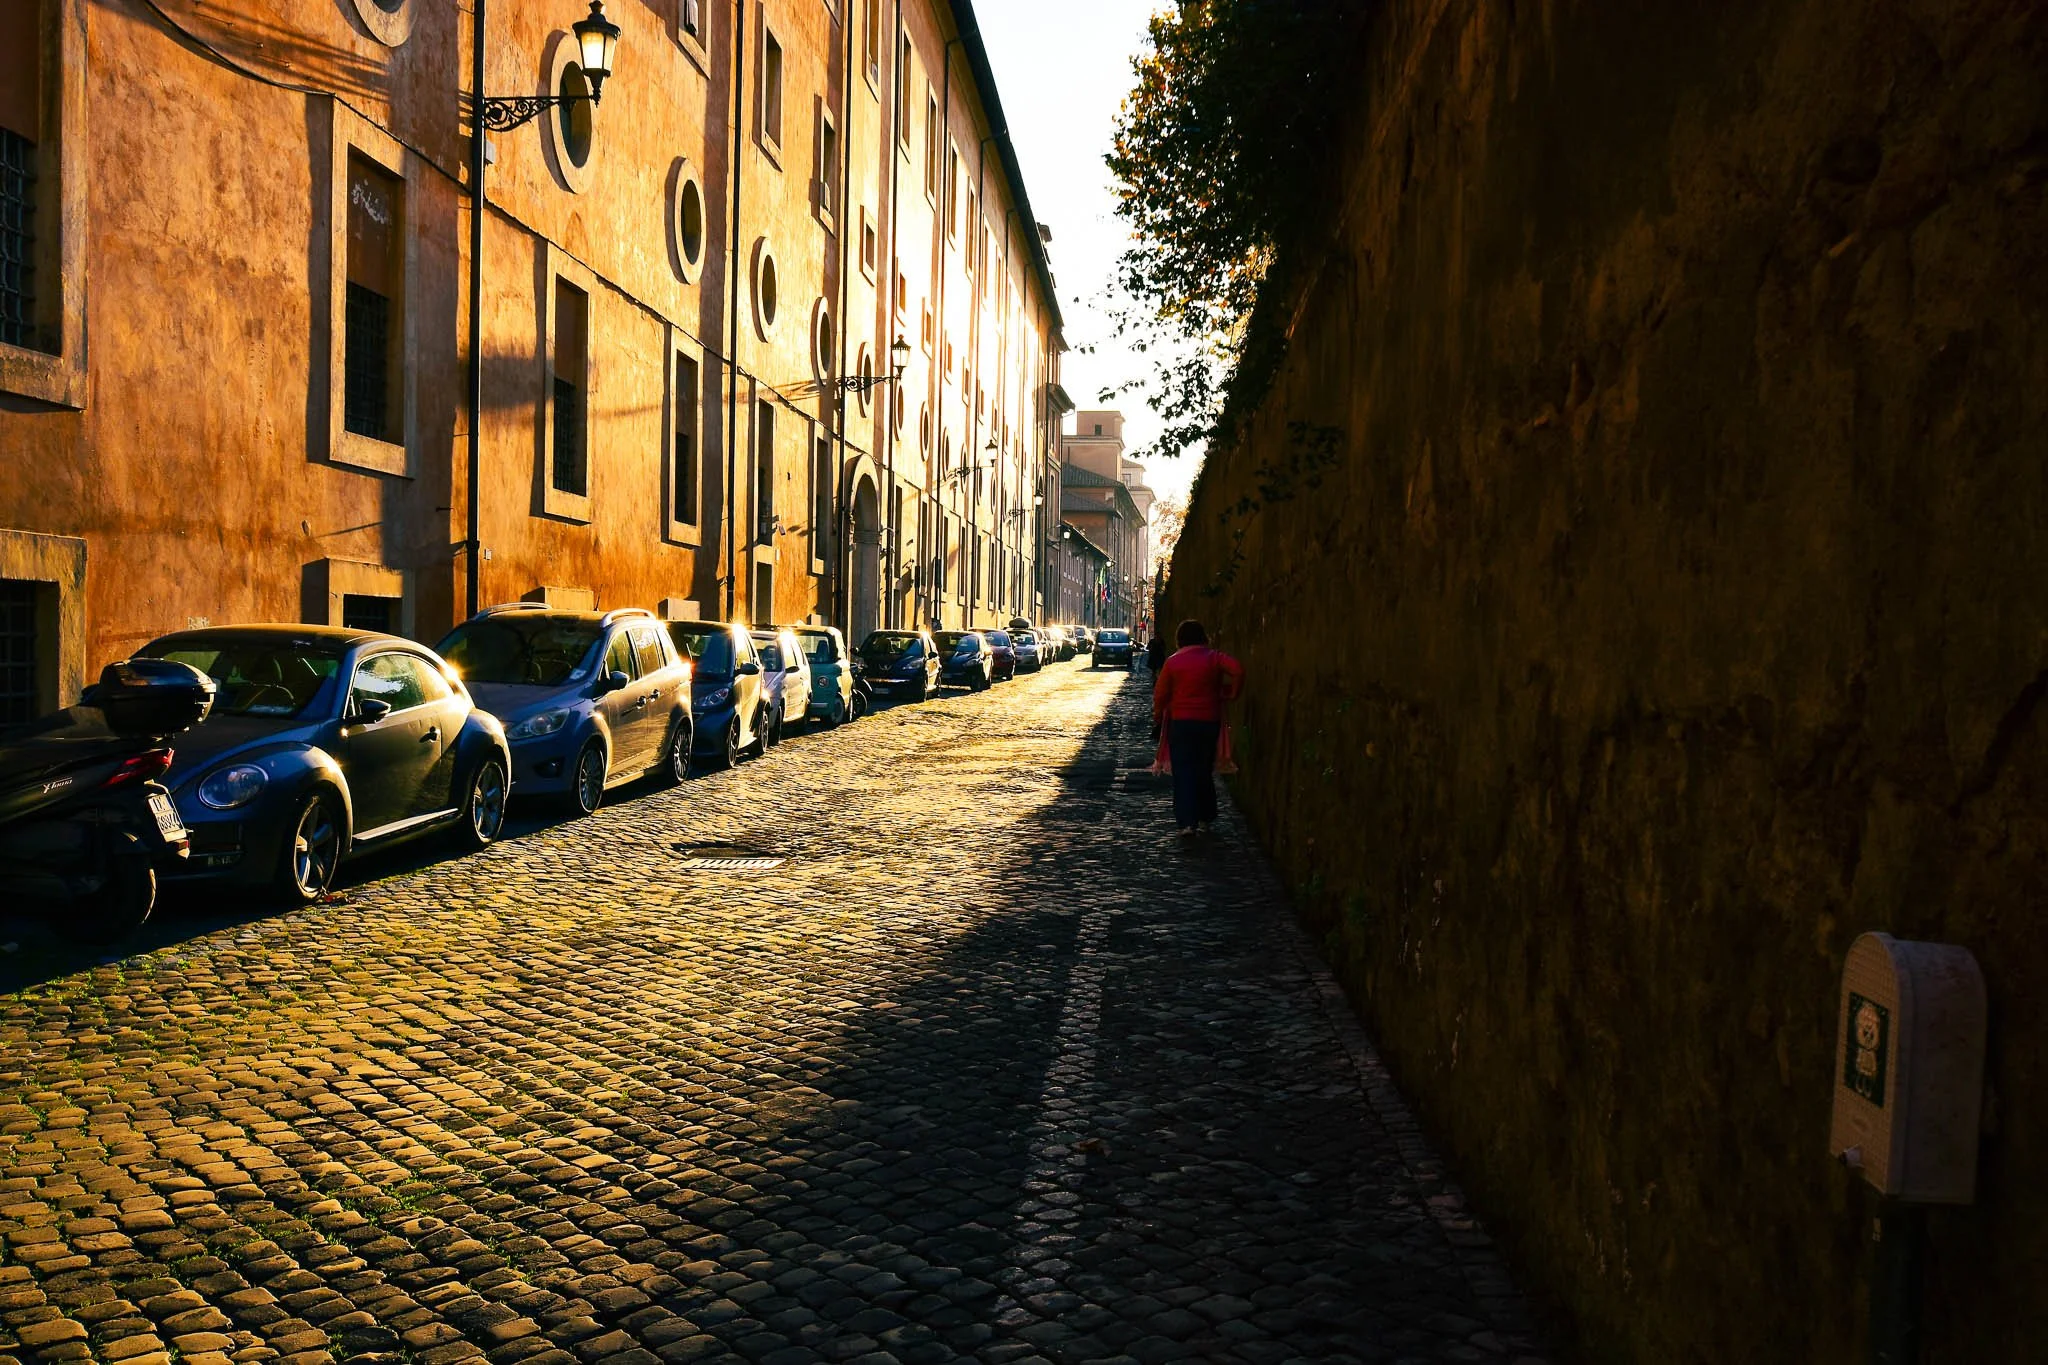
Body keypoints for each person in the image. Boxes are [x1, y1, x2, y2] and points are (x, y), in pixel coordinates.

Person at [1151, 619, 1243, 838]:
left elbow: (1161, 694)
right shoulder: (1213, 658)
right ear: (1204, 637)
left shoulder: (1173, 663)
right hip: (1208, 721)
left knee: (1184, 772)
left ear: (1179, 639)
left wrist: (1157, 717)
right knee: (1203, 770)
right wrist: (1231, 693)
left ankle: (1187, 822)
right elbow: (1238, 670)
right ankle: (1206, 817)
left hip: (1181, 723)